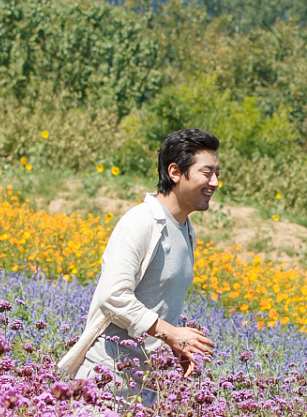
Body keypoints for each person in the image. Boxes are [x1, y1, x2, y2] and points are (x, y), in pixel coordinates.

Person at [57, 129, 220, 401]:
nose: (214, 182)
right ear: (175, 172)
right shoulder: (141, 222)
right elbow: (114, 295)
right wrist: (171, 333)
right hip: (106, 380)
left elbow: (155, 303)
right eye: (207, 173)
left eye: (217, 174)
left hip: (146, 384)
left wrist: (174, 348)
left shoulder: (185, 229)